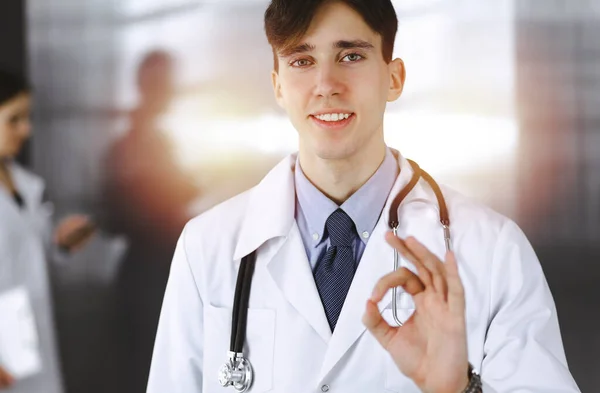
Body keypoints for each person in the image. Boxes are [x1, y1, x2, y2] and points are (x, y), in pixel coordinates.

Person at [146, 1, 580, 392]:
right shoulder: (208, 247)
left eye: (350, 56)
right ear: (278, 85)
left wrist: (459, 390)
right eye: (301, 60)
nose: (326, 84)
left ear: (394, 78)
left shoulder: (491, 250)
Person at [102, 50, 201, 393]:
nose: (172, 90)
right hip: (147, 274)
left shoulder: (160, 141)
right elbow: (117, 215)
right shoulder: (132, 145)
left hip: (159, 267)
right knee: (149, 368)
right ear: (148, 85)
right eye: (165, 82)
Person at [0, 70, 96, 392]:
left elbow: (25, 259)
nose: (26, 130)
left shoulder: (26, 184)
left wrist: (61, 244)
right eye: (14, 119)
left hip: (30, 340)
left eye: (26, 118)